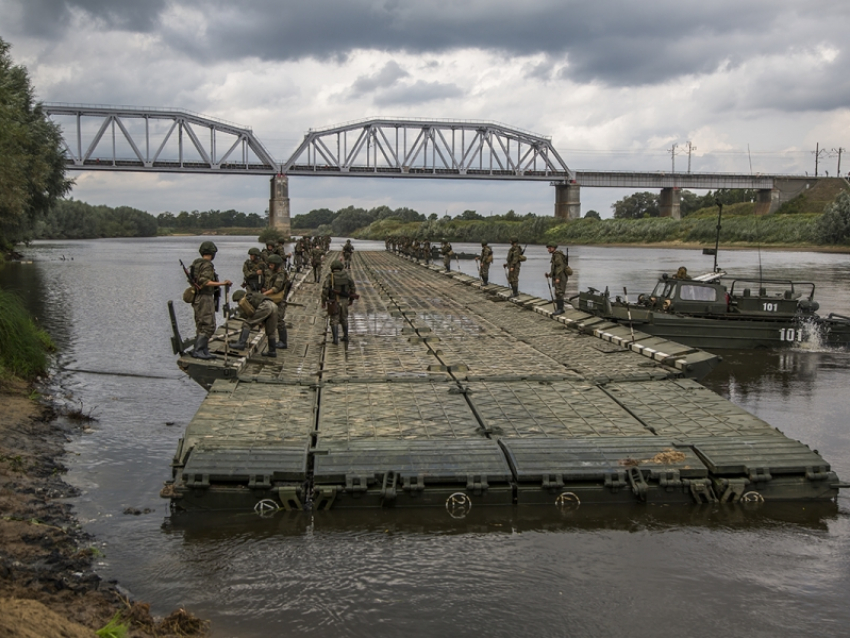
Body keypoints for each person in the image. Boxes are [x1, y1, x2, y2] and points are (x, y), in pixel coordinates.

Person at [189, 241, 232, 359]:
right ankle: (198, 350)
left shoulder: (196, 264)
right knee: (209, 325)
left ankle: (203, 349)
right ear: (212, 253)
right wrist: (223, 283)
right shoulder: (207, 265)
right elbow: (205, 281)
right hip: (205, 297)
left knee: (201, 325)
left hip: (197, 297)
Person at [231, 290, 278, 357]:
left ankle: (241, 344)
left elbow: (249, 313)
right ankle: (272, 351)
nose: (238, 303)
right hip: (274, 306)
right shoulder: (253, 294)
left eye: (237, 301)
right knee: (271, 332)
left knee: (247, 324)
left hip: (265, 306)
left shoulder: (247, 298)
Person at [321, 260, 356, 344]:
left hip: (334, 301)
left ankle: (335, 339)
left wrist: (323, 301)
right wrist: (351, 300)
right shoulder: (347, 276)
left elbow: (325, 290)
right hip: (344, 301)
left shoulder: (330, 277)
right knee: (344, 318)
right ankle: (346, 336)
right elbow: (353, 288)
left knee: (334, 319)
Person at [261, 254, 289, 349]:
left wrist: (265, 294)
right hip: (272, 299)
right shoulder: (272, 272)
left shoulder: (281, 274)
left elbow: (276, 288)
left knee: (279, 320)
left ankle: (283, 341)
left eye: (272, 265)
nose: (270, 266)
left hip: (279, 300)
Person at [545, 243, 572, 315]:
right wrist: (549, 274)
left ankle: (560, 309)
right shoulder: (555, 255)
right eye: (548, 248)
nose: (548, 249)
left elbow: (560, 267)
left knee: (559, 292)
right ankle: (559, 308)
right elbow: (555, 268)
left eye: (549, 248)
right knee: (557, 292)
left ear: (554, 248)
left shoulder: (557, 256)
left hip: (561, 276)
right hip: (559, 276)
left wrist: (557, 278)